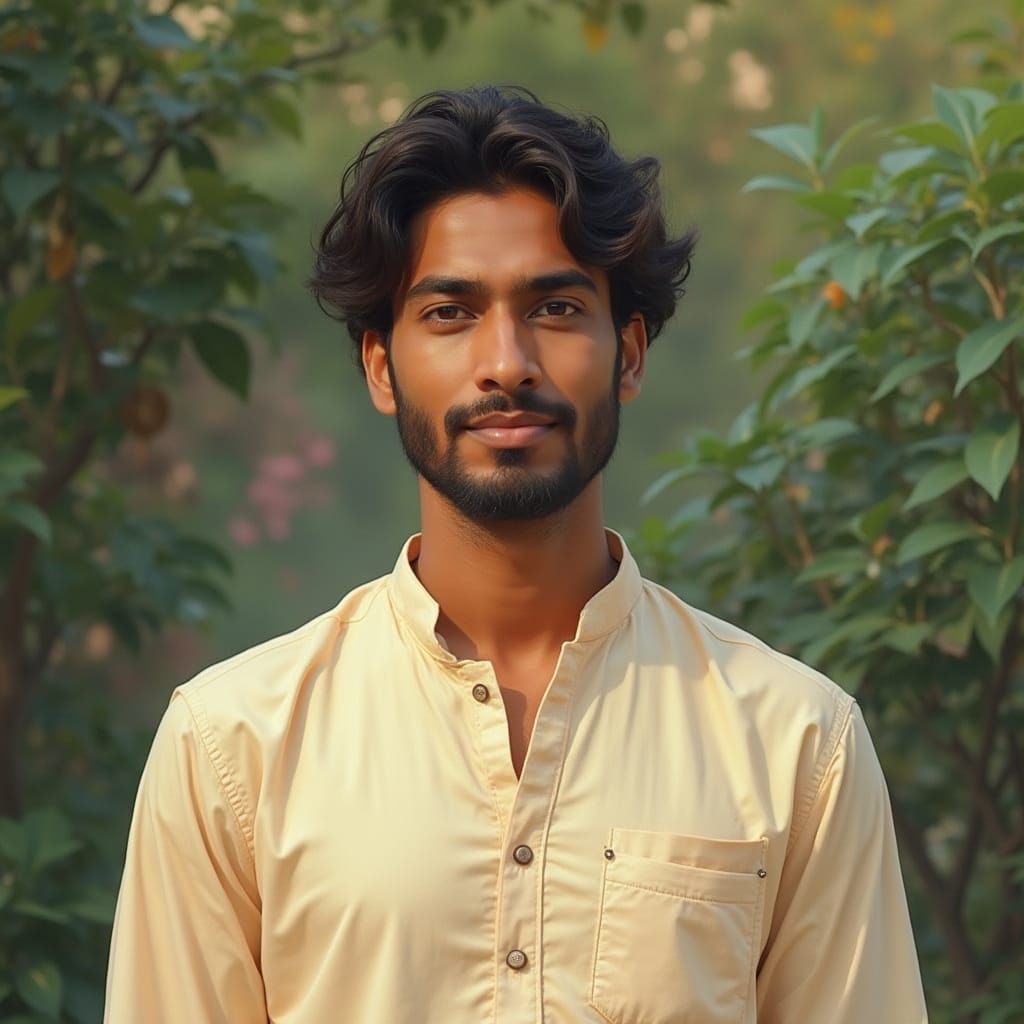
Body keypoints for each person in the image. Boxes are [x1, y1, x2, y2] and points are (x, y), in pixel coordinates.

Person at [105, 86, 927, 1023]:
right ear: (380, 366)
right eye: (450, 313)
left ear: (628, 356)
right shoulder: (232, 748)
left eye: (556, 307)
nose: (506, 361)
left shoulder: (794, 742)